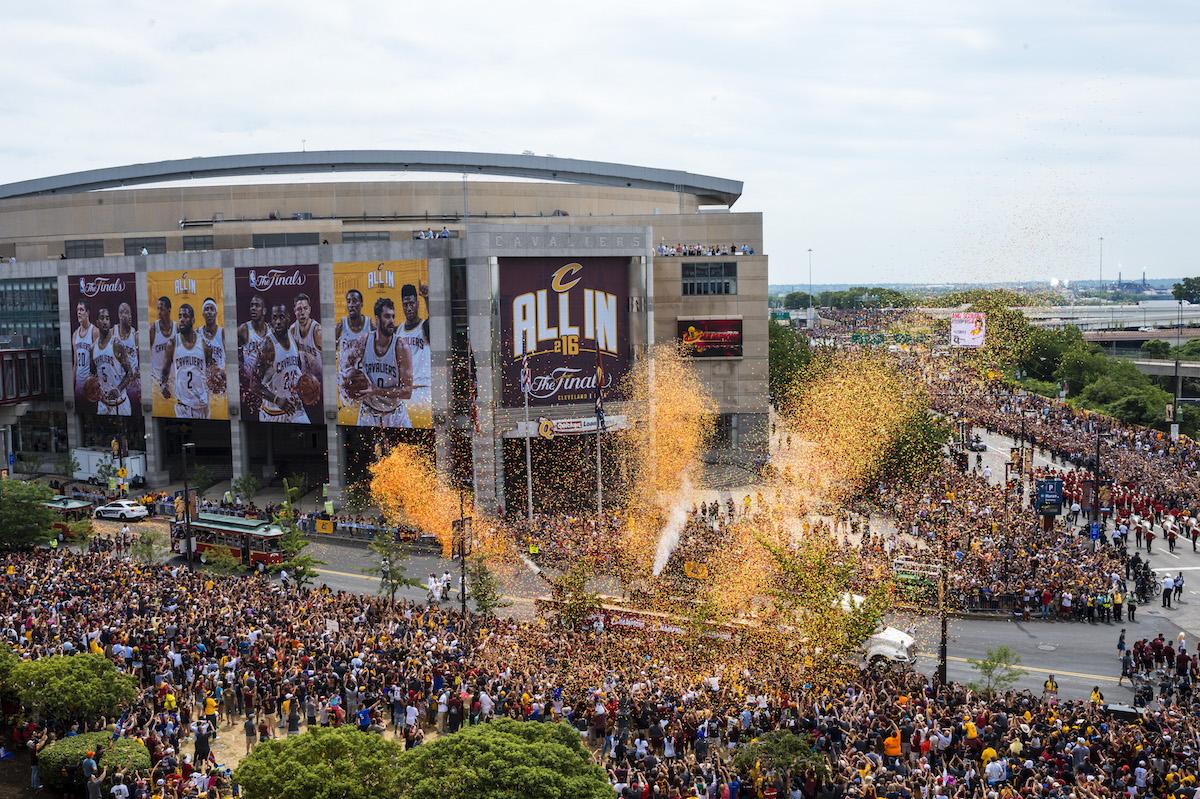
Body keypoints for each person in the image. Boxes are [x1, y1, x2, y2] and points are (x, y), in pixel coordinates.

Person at [344, 297, 414, 427]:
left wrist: (376, 391)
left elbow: (407, 391)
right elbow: (346, 367)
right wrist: (349, 387)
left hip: (395, 415)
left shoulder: (401, 347)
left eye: (393, 316)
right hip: (368, 413)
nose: (392, 321)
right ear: (377, 319)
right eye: (387, 316)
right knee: (362, 448)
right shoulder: (363, 342)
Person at [253, 303, 309, 423]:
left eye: (281, 317)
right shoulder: (267, 346)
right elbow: (254, 384)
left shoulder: (292, 335)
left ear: (288, 319)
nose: (278, 321)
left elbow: (293, 367)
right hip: (273, 412)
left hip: (293, 405)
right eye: (274, 318)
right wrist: (277, 400)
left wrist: (304, 382)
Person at [159, 303, 213, 418]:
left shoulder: (204, 344)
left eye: (185, 316)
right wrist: (163, 385)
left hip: (202, 404)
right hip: (182, 406)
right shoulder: (172, 343)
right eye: (180, 316)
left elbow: (211, 372)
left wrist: (216, 381)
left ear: (193, 320)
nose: (181, 320)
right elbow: (165, 370)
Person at [396, 284, 431, 428]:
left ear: (417, 303)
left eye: (411, 303)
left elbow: (435, 322)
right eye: (405, 304)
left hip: (425, 390)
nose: (409, 308)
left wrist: (427, 299)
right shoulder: (399, 331)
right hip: (406, 392)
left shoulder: (425, 326)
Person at [90, 307, 135, 416]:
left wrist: (118, 389)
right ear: (97, 322)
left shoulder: (116, 343)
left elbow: (130, 373)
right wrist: (94, 390)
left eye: (107, 318)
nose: (105, 321)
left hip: (120, 403)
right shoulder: (92, 348)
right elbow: (93, 375)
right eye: (102, 318)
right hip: (103, 404)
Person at [335, 288, 372, 411]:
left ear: (361, 304)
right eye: (348, 301)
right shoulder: (340, 326)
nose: (351, 305)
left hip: (364, 382)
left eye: (354, 301)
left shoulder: (370, 325)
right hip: (346, 385)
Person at [148, 295, 176, 401]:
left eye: (162, 309)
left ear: (169, 310)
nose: (159, 312)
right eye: (158, 309)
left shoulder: (177, 328)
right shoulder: (153, 329)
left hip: (173, 380)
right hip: (156, 381)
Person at [72, 300, 97, 402]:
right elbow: (75, 364)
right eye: (78, 310)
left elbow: (98, 362)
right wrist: (71, 387)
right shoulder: (75, 335)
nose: (79, 312)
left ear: (87, 313)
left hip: (90, 385)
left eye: (81, 310)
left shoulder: (94, 331)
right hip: (78, 384)